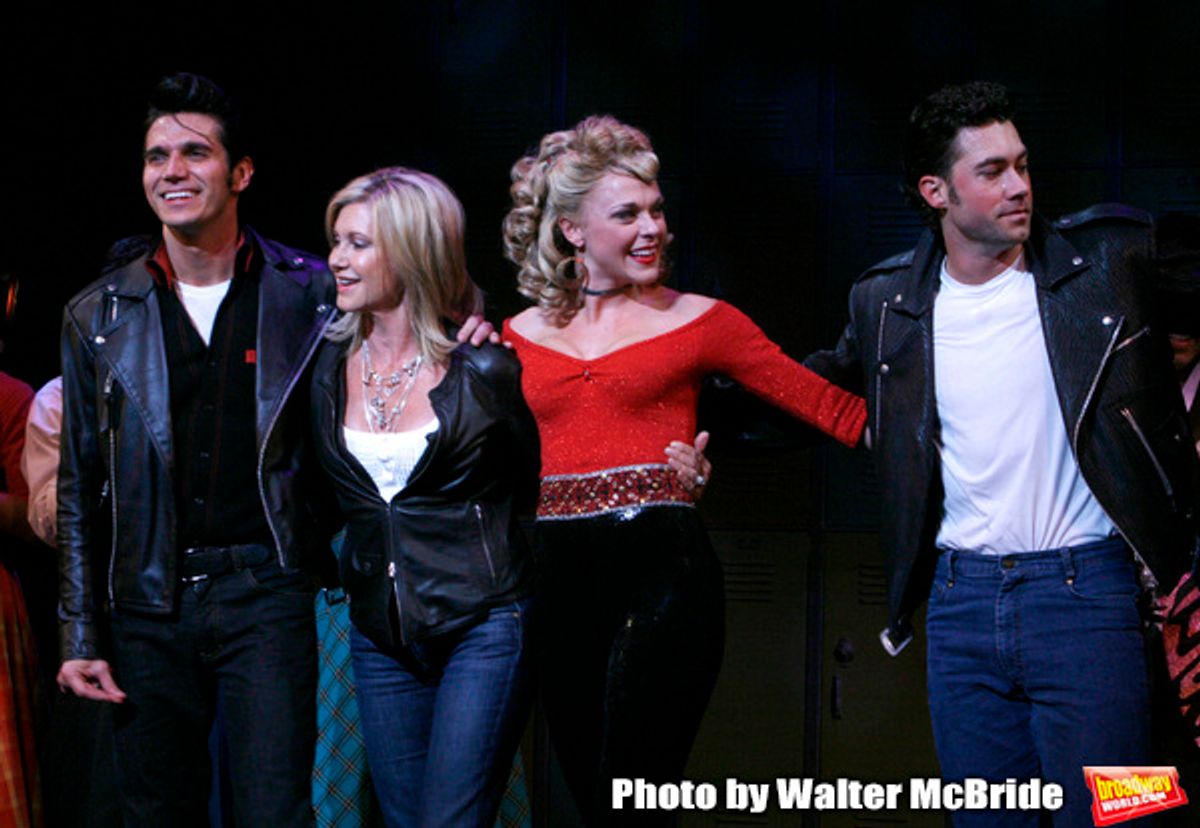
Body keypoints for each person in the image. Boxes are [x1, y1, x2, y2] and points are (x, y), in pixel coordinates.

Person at [804, 81, 1199, 827]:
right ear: (936, 191)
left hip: (1090, 597)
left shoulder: (1111, 259)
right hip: (960, 607)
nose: (1019, 185)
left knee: (1126, 816)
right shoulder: (888, 302)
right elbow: (810, 390)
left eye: (1021, 164)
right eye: (991, 171)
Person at [501, 115, 866, 825]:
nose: (653, 230)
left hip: (662, 577)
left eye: (657, 210)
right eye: (627, 214)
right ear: (573, 231)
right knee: (589, 798)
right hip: (557, 586)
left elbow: (828, 407)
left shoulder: (703, 320)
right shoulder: (515, 337)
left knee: (634, 797)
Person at [310, 167, 539, 828]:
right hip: (381, 636)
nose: (337, 259)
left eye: (358, 244)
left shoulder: (485, 368)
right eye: (336, 241)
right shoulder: (325, 368)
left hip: (482, 624)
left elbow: (529, 488)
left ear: (412, 251)